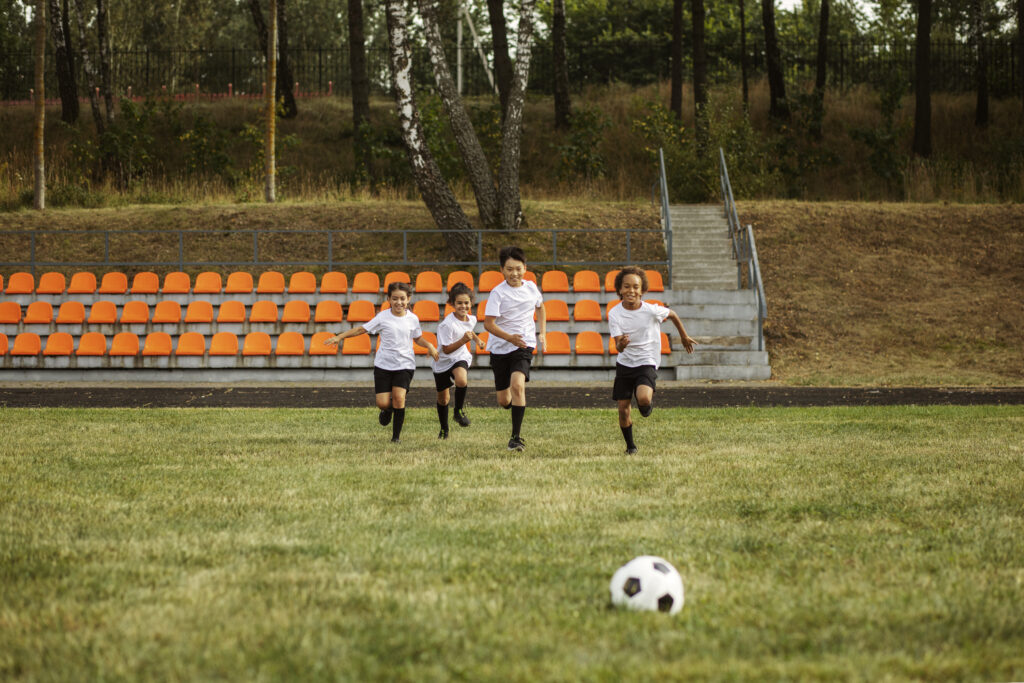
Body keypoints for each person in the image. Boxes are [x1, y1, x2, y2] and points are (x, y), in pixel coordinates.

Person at [324, 281, 438, 444]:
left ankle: (396, 438)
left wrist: (429, 346)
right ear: (389, 299)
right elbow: (361, 329)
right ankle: (388, 410)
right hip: (383, 365)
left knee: (399, 398)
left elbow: (417, 338)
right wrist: (339, 337)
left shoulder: (413, 319)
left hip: (405, 365)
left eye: (402, 299)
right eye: (395, 299)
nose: (399, 302)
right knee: (383, 403)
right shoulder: (382, 317)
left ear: (408, 299)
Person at [608, 266, 697, 454]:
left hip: (646, 362)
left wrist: (683, 336)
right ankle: (631, 447)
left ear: (642, 290)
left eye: (635, 287)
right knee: (623, 409)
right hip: (625, 364)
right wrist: (622, 344)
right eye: (626, 287)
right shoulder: (614, 314)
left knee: (644, 398)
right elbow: (617, 346)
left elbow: (672, 314)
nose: (631, 291)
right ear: (620, 290)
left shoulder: (651, 310)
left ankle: (645, 406)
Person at [484, 246, 546, 451]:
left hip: (523, 345)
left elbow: (540, 307)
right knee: (504, 400)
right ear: (502, 270)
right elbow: (488, 324)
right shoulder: (497, 293)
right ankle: (514, 408)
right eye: (509, 269)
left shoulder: (531, 288)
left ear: (525, 268)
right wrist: (509, 337)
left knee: (518, 385)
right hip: (500, 348)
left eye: (518, 268)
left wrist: (542, 332)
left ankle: (515, 438)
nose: (514, 273)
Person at [432, 282, 485, 440]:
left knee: (461, 380)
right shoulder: (446, 325)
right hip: (443, 361)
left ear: (471, 303)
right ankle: (444, 429)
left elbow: (468, 331)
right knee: (443, 398)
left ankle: (458, 411)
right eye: (459, 303)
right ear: (452, 304)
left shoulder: (471, 318)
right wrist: (463, 340)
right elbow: (446, 349)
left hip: (460, 357)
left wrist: (477, 340)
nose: (463, 306)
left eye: (466, 303)